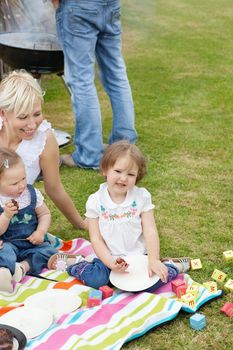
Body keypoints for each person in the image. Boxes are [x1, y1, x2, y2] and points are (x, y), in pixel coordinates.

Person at [65, 141, 191, 290]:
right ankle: (77, 263)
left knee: (153, 282)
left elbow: (150, 231)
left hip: (139, 256)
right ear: (105, 170)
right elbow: (96, 239)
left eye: (130, 174)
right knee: (97, 280)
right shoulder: (95, 201)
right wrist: (111, 263)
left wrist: (153, 260)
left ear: (137, 176)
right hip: (109, 257)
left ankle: (171, 265)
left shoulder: (141, 197)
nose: (123, 178)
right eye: (118, 171)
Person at [51, 0, 137, 169]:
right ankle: (124, 147)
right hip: (110, 5)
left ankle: (88, 155)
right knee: (116, 75)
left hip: (78, 6)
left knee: (81, 81)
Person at [0, 69, 87, 230]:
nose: (32, 124)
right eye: (23, 117)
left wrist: (80, 224)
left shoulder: (45, 139)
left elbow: (54, 188)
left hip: (17, 223)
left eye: (37, 114)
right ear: (3, 114)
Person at [0, 147, 58, 293]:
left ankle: (22, 268)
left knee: (49, 251)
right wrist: (6, 216)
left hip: (32, 243)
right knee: (3, 252)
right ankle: (4, 274)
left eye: (23, 178)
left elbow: (44, 214)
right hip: (8, 243)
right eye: (14, 183)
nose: (21, 185)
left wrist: (41, 231)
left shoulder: (30, 194)